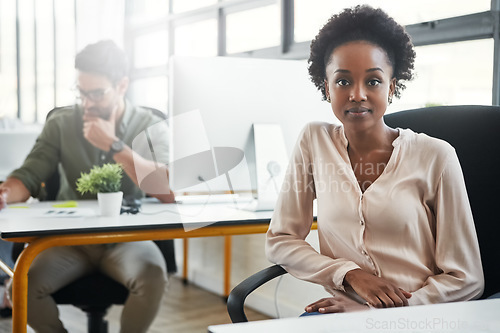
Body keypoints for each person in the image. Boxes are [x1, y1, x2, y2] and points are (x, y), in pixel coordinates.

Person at [266, 5, 484, 315]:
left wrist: (378, 311)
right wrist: (350, 275)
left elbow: (467, 279)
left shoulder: (436, 155)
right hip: (338, 312)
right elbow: (280, 240)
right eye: (342, 82)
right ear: (326, 88)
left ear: (392, 87)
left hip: (418, 314)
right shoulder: (314, 141)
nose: (357, 94)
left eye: (373, 81)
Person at [0, 40, 173, 332]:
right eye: (81, 92)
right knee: (21, 284)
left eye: (97, 93)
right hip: (68, 240)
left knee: (153, 276)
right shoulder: (62, 123)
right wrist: (5, 193)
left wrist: (115, 146)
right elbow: (28, 177)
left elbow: (169, 189)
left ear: (121, 86)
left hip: (127, 239)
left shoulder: (150, 123)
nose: (88, 102)